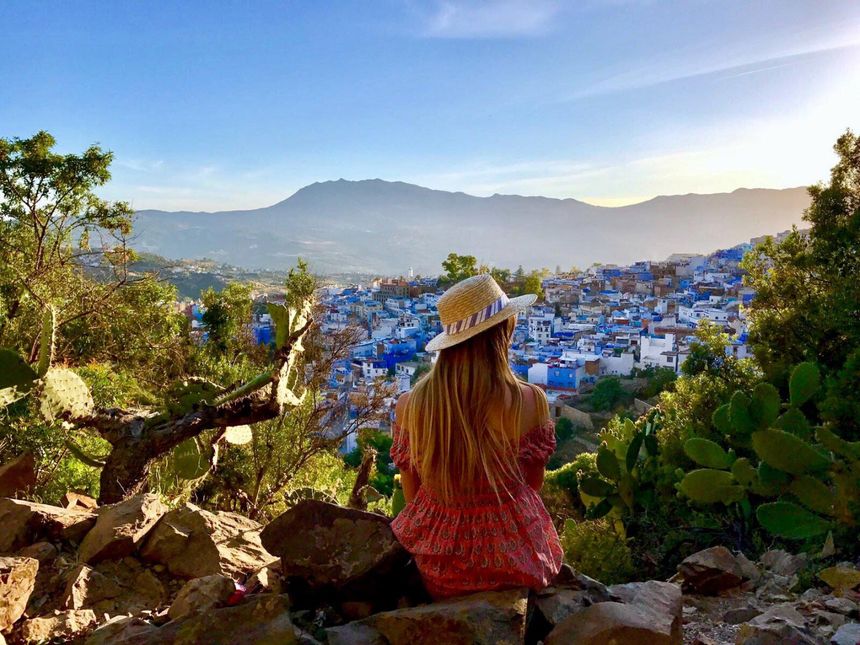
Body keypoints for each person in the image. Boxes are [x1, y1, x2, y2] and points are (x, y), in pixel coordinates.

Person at [390, 273, 563, 599]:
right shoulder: (529, 401)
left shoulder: (410, 406)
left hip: (442, 570)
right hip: (516, 564)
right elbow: (533, 484)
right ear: (503, 330)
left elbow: (411, 493)